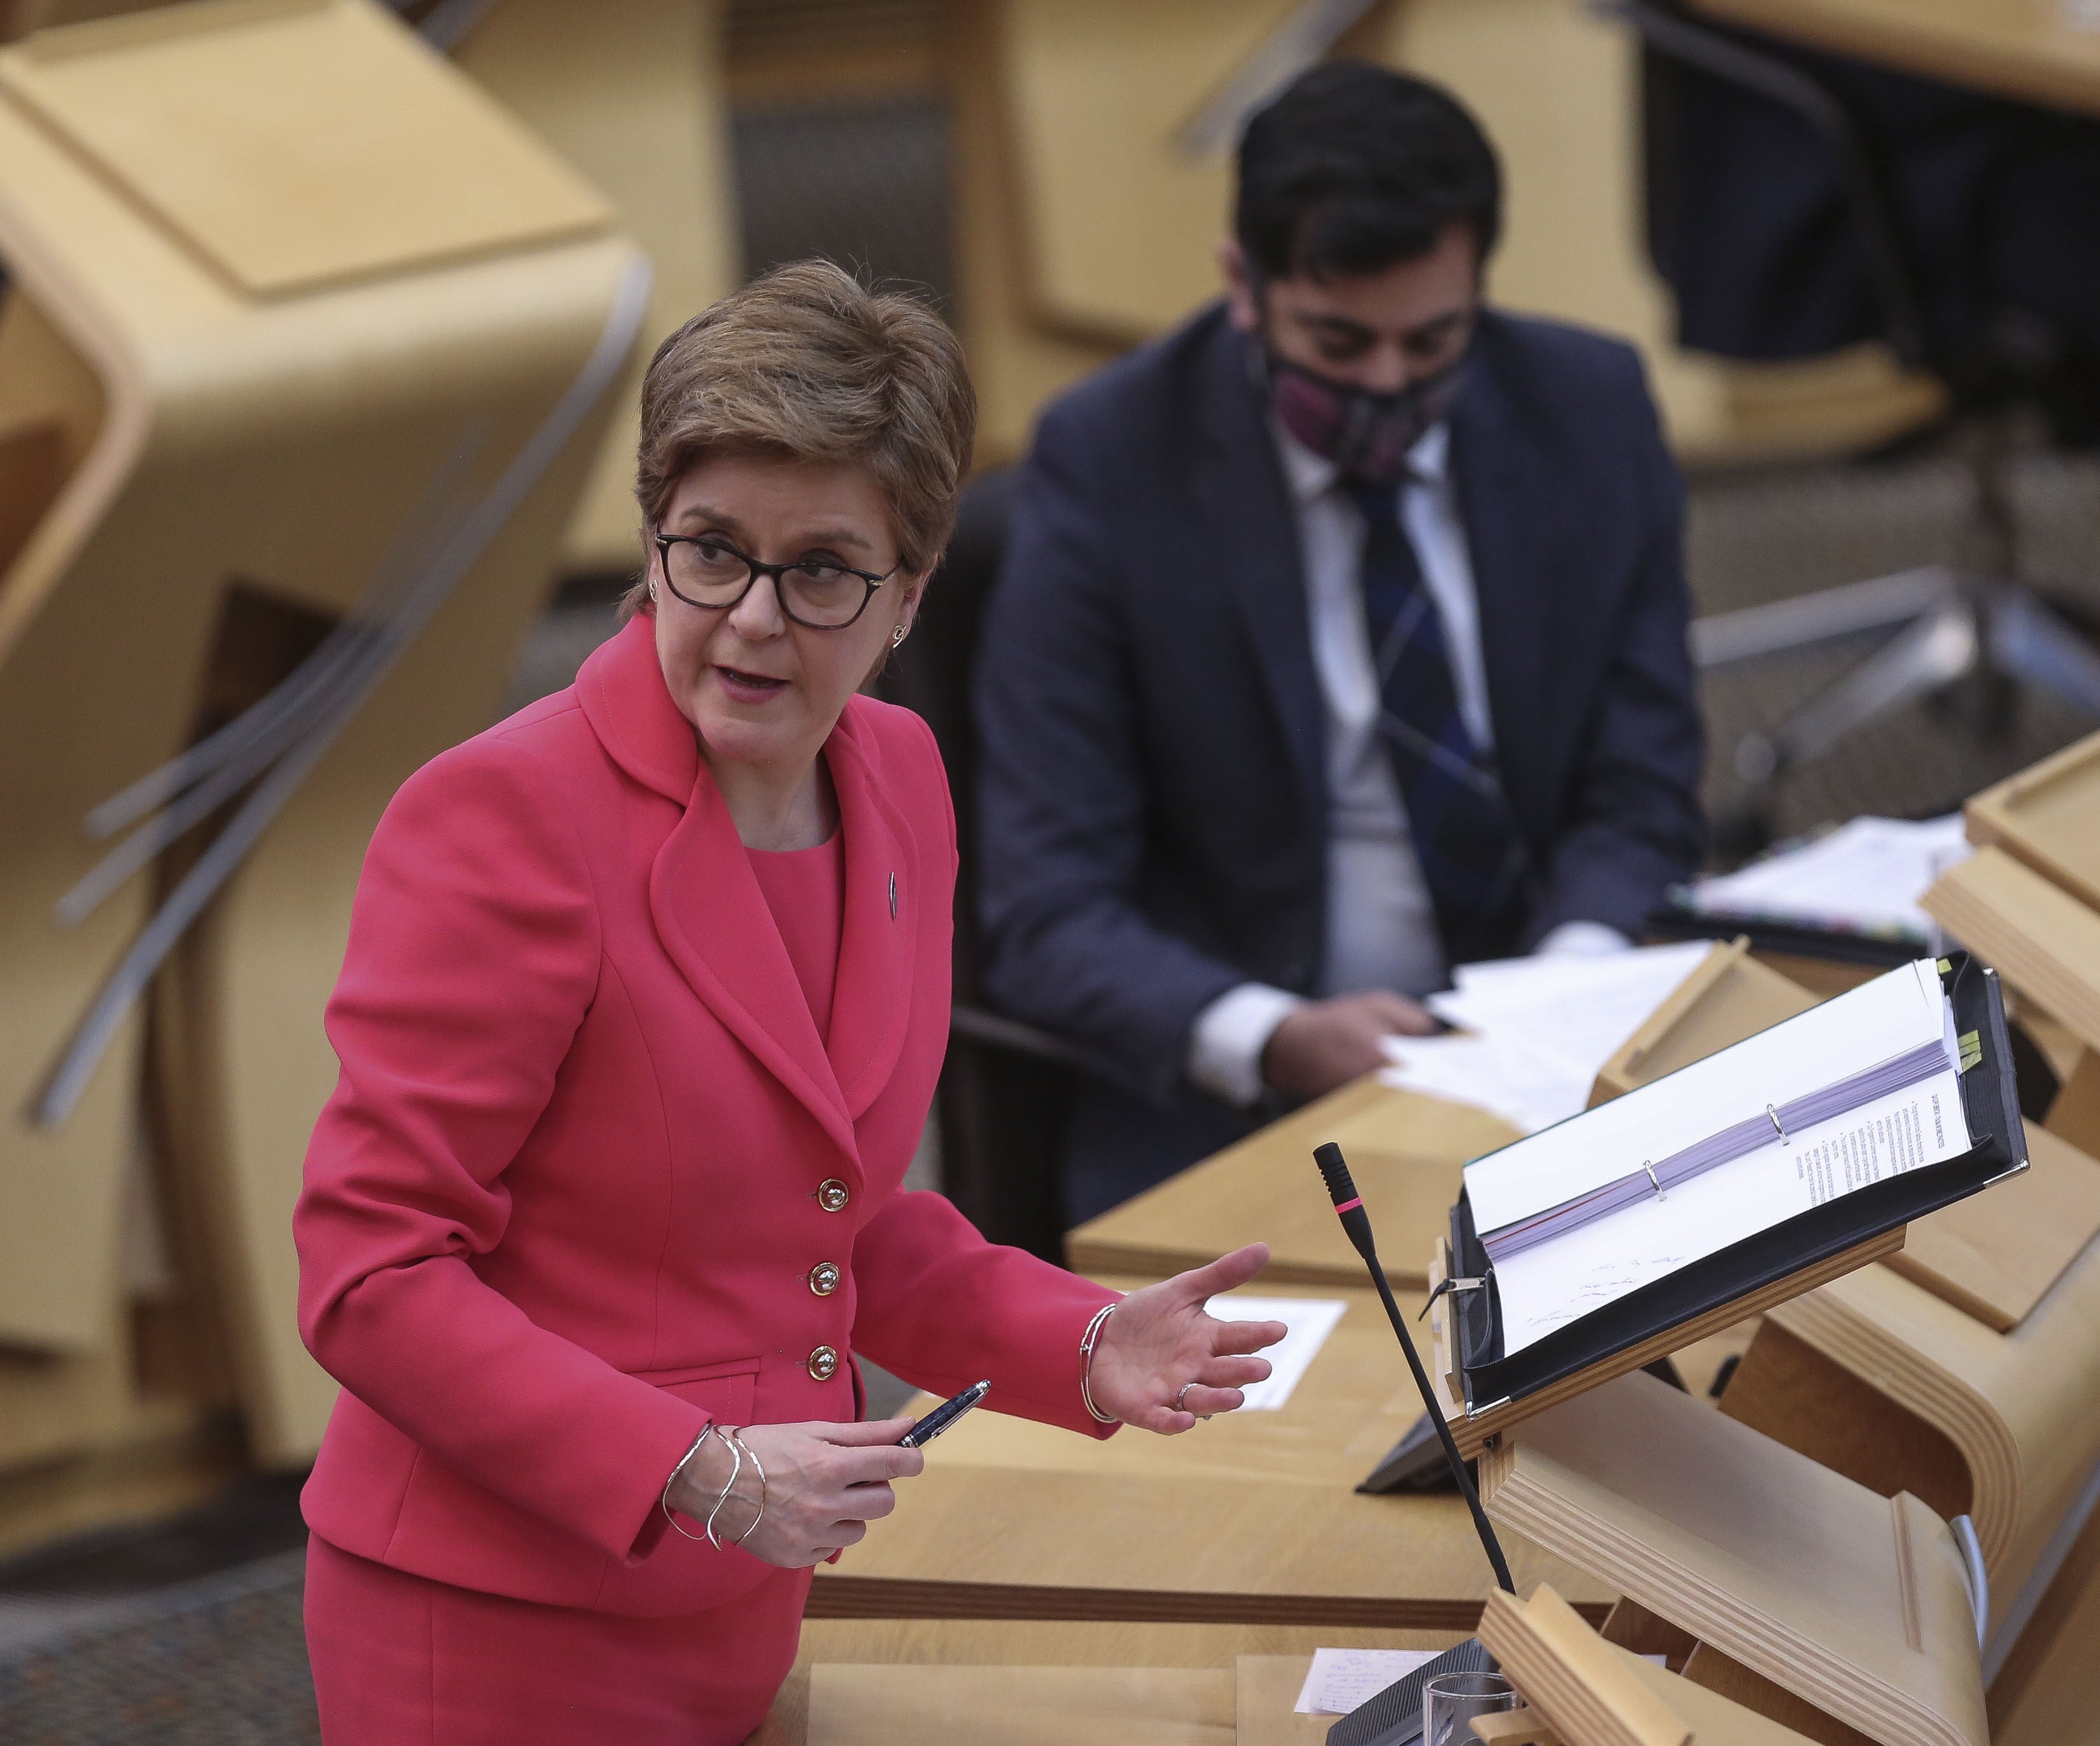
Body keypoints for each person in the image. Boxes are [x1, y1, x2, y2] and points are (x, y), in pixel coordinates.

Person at [293, 261, 1286, 1745]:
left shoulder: (899, 781)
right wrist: (698, 1466)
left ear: (909, 596)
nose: (754, 618)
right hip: (498, 1622)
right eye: (710, 552)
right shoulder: (504, 816)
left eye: (821, 570)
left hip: (742, 1599)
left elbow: (832, 1211)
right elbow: (369, 1274)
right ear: (652, 540)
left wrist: (1076, 1340)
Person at [975, 63, 1706, 1225]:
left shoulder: (1588, 407)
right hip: (1250, 1099)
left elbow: (1643, 779)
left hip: (1552, 1048)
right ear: (1243, 286)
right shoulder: (1109, 464)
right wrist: (1272, 1037)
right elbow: (1046, 904)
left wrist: (1563, 985)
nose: (1384, 385)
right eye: (1339, 341)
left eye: (1431, 344)